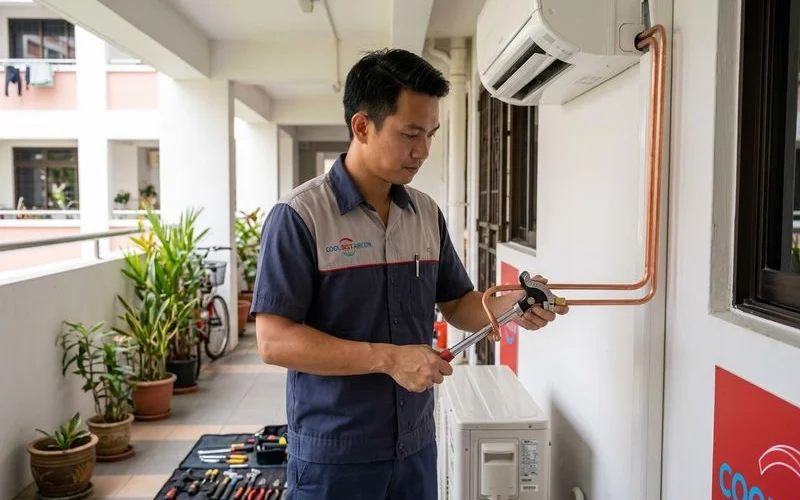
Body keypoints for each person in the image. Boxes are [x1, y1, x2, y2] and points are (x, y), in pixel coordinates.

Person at [250, 48, 569, 500]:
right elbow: (274, 340)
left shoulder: (424, 213)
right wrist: (390, 358)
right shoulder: (300, 217)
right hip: (335, 455)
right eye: (410, 134)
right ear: (362, 126)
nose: (422, 151)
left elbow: (459, 304)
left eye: (431, 134)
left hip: (415, 446)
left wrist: (513, 306)